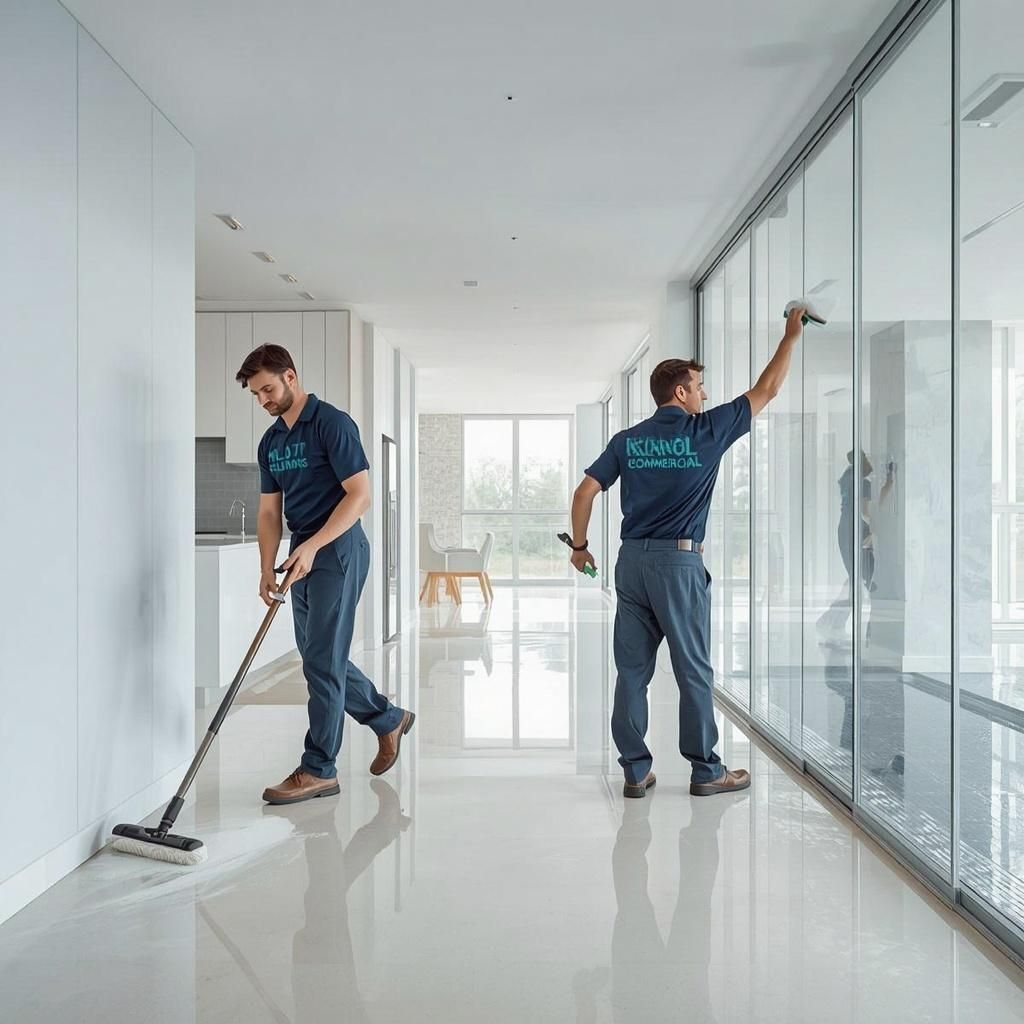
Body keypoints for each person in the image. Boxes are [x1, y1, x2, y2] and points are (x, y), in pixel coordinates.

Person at [568, 308, 806, 798]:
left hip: (632, 563)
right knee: (693, 668)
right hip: (678, 564)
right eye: (699, 387)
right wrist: (790, 335)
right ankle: (706, 770)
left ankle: (636, 770)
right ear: (680, 393)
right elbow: (767, 390)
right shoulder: (706, 431)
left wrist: (580, 547)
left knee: (632, 671)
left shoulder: (628, 441)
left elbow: (585, 491)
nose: (704, 395)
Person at [235, 343, 415, 805]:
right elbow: (269, 512)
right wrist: (265, 567)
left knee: (321, 659)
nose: (263, 400)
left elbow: (360, 496)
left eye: (268, 389)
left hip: (337, 547)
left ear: (290, 377)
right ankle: (387, 718)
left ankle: (318, 769)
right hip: (302, 549)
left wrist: (314, 546)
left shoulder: (331, 423)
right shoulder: (271, 442)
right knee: (319, 656)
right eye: (256, 395)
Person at [816, 449, 895, 642]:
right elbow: (866, 512)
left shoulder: (846, 477)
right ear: (861, 462)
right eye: (867, 459)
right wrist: (888, 485)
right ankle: (834, 623)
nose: (870, 463)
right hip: (856, 532)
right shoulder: (862, 482)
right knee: (866, 582)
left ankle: (831, 622)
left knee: (855, 579)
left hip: (845, 530)